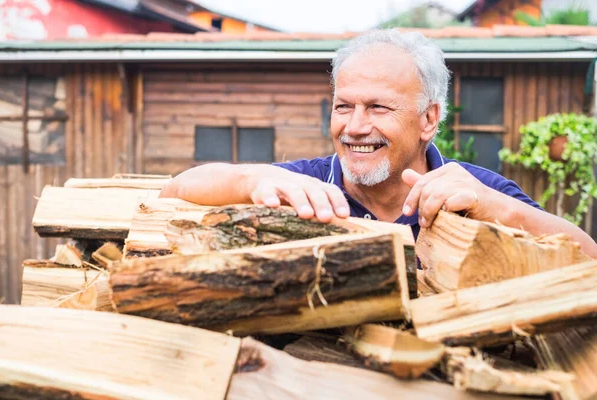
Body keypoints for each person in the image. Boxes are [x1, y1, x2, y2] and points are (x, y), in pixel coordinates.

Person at [160, 29, 597, 258]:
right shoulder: (307, 190)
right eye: (343, 106)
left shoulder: (476, 193)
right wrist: (252, 177)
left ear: (429, 119)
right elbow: (173, 191)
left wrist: (494, 208)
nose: (354, 126)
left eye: (378, 108)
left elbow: (588, 258)